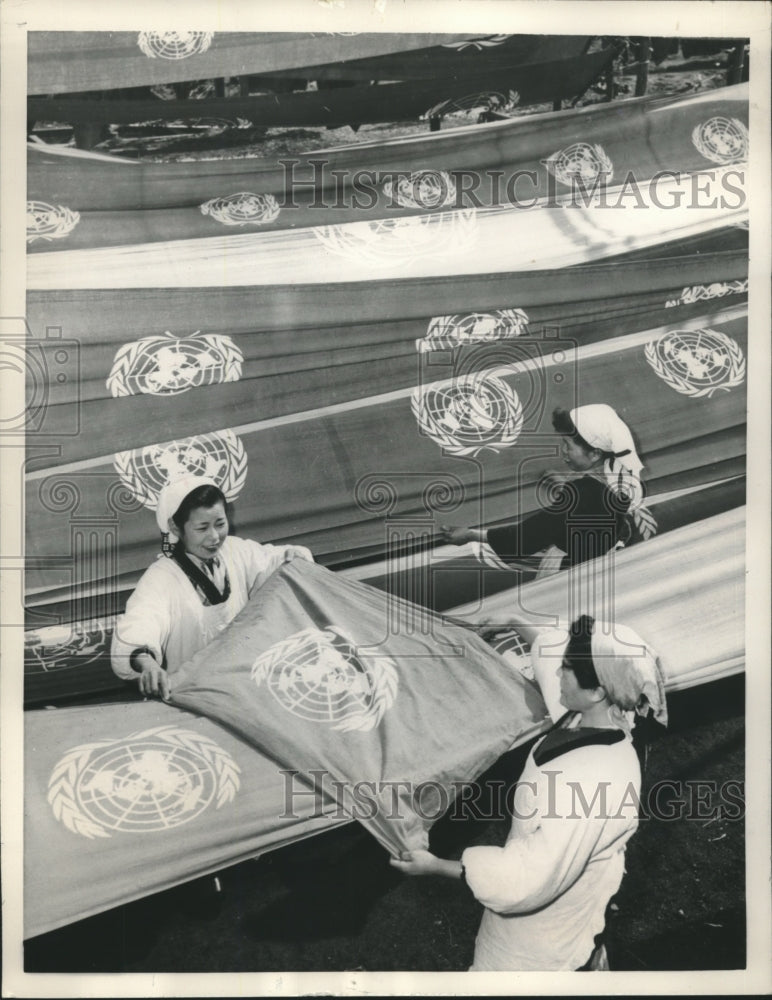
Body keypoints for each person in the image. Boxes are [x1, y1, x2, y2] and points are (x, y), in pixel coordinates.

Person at [390, 613, 667, 971]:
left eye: (566, 668)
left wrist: (435, 866)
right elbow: (559, 659)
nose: (555, 674)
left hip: (540, 935)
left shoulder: (590, 781)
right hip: (568, 888)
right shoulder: (599, 713)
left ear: (597, 690)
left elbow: (528, 878)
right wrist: (513, 621)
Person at [111, 474, 313, 700]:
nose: (214, 537)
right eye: (202, 527)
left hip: (243, 684)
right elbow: (140, 624)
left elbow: (273, 561)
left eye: (220, 524)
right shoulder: (161, 577)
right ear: (176, 527)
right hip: (191, 694)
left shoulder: (236, 551)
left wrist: (292, 557)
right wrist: (148, 665)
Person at [441, 404, 647, 573]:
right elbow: (588, 511)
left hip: (573, 573)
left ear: (594, 454)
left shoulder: (581, 493)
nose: (564, 452)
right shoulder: (622, 482)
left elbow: (526, 537)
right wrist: (565, 489)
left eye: (568, 445)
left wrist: (470, 535)